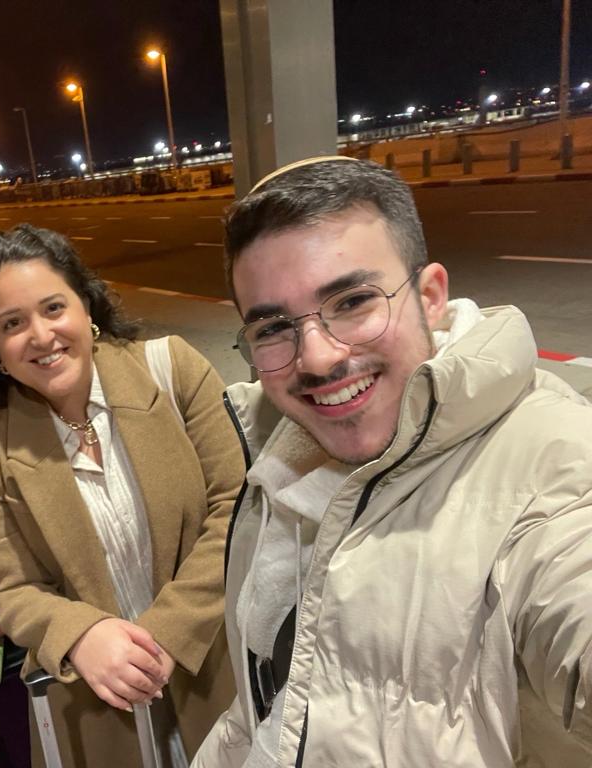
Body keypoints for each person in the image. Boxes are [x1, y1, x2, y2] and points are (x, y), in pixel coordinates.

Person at [193, 157, 592, 768]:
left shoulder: (554, 459)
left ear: (430, 297)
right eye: (273, 327)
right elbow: (264, 711)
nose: (318, 358)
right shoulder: (280, 455)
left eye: (353, 300)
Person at [0, 224, 245, 767]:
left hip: (215, 666)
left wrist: (165, 634)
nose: (41, 335)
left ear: (86, 308)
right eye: (12, 323)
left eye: (53, 308)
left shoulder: (172, 370)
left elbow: (237, 507)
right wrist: (81, 635)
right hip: (94, 706)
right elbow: (9, 588)